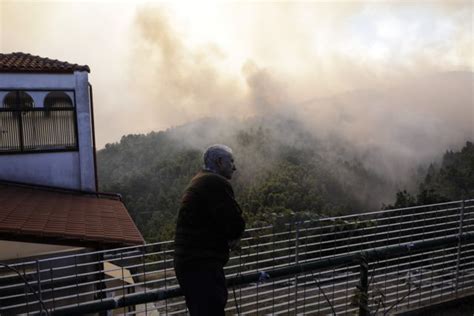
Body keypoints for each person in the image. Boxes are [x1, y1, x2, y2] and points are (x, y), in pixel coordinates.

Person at [174, 144, 246, 316]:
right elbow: (235, 224)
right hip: (202, 267)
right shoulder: (215, 182)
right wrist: (233, 237)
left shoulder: (199, 180)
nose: (234, 167)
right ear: (220, 162)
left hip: (191, 264)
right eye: (231, 161)